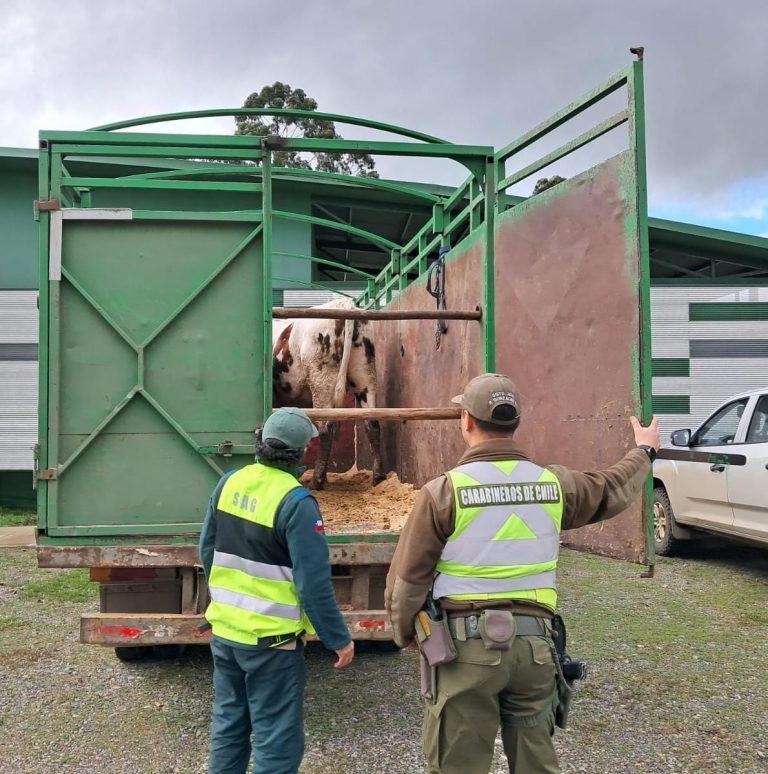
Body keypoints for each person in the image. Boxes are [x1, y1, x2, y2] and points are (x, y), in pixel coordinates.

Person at [385, 373, 660, 774]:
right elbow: (611, 488)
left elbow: (408, 580)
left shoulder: (444, 492)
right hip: (536, 651)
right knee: (535, 762)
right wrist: (644, 453)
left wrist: (406, 633)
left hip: (466, 654)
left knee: (458, 763)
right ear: (516, 422)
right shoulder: (553, 485)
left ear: (466, 421)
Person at [199, 407, 354, 774]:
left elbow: (207, 548)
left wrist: (226, 600)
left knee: (228, 726)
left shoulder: (230, 482)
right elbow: (312, 584)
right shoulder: (296, 503)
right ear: (301, 454)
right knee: (276, 739)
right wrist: (338, 639)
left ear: (261, 443)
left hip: (225, 633)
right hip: (273, 642)